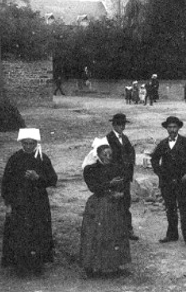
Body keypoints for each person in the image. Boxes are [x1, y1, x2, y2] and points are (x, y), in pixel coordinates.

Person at [1, 128, 58, 276]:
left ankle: (37, 263)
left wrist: (38, 178)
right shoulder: (14, 159)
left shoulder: (42, 158)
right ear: (21, 143)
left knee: (38, 232)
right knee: (20, 233)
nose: (28, 146)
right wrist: (8, 204)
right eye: (25, 143)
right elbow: (6, 183)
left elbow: (53, 179)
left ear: (36, 143)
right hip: (19, 203)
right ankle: (20, 265)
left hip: (38, 203)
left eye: (31, 143)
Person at [80, 137, 131, 277]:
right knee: (97, 235)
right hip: (98, 205)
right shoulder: (91, 169)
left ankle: (113, 266)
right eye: (105, 155)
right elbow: (93, 187)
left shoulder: (116, 167)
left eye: (110, 154)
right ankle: (93, 266)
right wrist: (110, 184)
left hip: (114, 204)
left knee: (115, 234)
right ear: (98, 155)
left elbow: (124, 183)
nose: (108, 157)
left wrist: (120, 192)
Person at [150, 116, 186, 247]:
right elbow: (154, 160)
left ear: (178, 128)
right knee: (170, 208)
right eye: (170, 127)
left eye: (174, 127)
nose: (172, 130)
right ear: (166, 128)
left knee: (184, 210)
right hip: (167, 183)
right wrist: (161, 174)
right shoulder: (162, 144)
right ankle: (172, 234)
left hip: (181, 182)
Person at [106, 113, 138, 240]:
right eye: (119, 124)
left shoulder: (124, 138)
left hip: (125, 177)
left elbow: (131, 152)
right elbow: (108, 158)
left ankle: (127, 229)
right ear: (114, 125)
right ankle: (114, 230)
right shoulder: (108, 139)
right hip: (115, 177)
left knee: (125, 203)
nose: (122, 127)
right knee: (114, 203)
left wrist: (129, 168)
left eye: (123, 124)